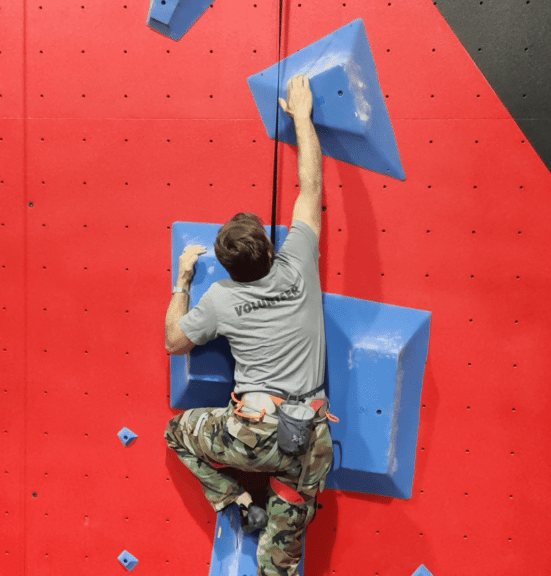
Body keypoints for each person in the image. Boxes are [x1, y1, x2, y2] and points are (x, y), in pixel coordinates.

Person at [164, 74, 333, 576]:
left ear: (228, 264)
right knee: (278, 567)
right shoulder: (299, 259)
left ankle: (234, 498)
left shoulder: (219, 297)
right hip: (309, 441)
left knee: (178, 432)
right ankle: (273, 515)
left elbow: (174, 341)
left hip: (251, 435)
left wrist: (182, 281)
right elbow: (312, 186)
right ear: (269, 245)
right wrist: (301, 116)